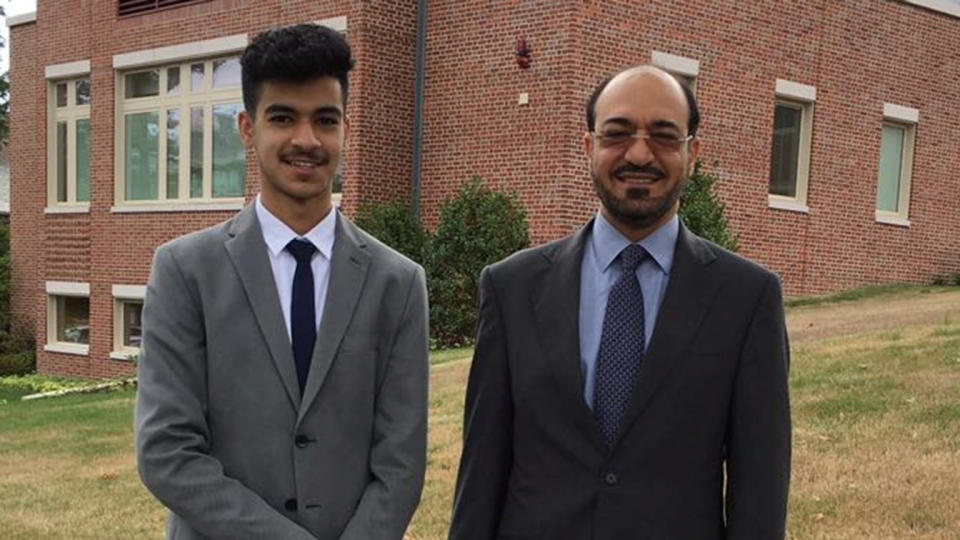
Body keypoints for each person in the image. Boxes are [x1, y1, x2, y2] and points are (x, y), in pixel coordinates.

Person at [449, 65, 791, 539]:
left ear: (692, 153)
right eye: (618, 132)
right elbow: (481, 473)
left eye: (664, 136)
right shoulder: (511, 288)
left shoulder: (747, 299)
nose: (639, 152)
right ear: (588, 146)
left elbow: (760, 494)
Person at [135, 24, 428, 540]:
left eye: (325, 120)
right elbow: (166, 451)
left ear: (344, 128)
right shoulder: (184, 272)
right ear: (247, 128)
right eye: (283, 118)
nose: (306, 140)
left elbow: (400, 463)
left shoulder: (398, 284)